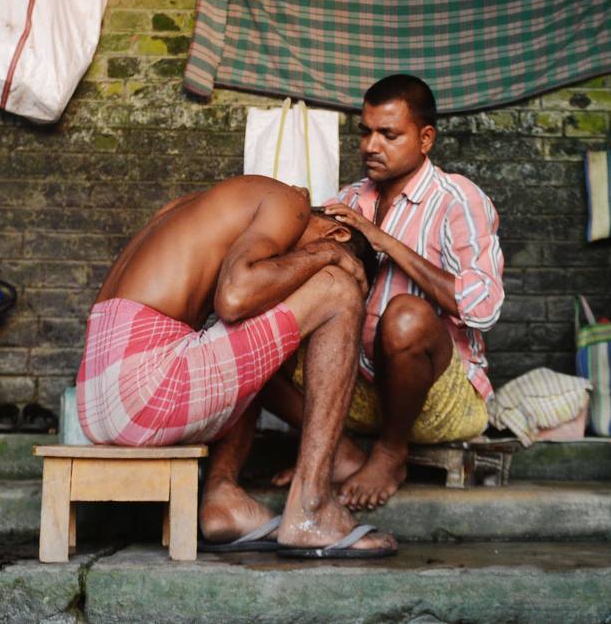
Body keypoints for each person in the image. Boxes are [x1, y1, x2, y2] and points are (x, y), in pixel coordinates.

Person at [75, 176, 396, 558]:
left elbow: (239, 315)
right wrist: (327, 259)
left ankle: (222, 497)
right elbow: (235, 296)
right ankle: (312, 507)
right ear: (336, 233)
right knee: (338, 290)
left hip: (95, 400)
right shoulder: (288, 201)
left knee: (255, 324)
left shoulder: (203, 205)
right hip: (146, 389)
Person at [267, 74, 504, 509]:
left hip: (439, 401)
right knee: (258, 331)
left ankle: (391, 454)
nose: (371, 145)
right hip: (362, 388)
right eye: (366, 131)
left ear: (425, 137)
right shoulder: (351, 199)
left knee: (406, 315)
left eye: (388, 134)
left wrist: (385, 242)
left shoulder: (458, 199)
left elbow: (483, 307)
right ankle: (338, 453)